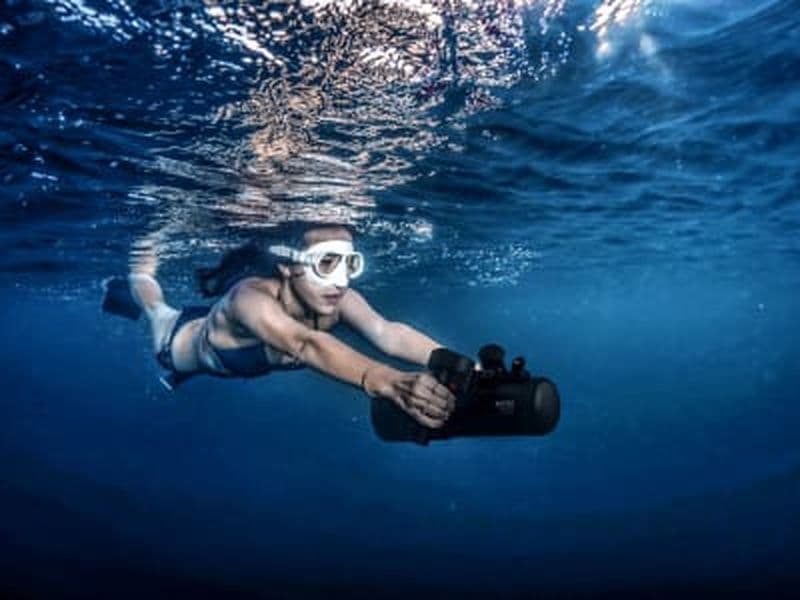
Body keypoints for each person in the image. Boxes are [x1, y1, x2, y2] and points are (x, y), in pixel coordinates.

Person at [103, 224, 455, 429]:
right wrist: (386, 380)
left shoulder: (334, 298)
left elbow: (387, 332)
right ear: (287, 266)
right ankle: (131, 275)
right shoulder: (248, 298)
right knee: (154, 306)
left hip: (232, 344)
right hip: (177, 341)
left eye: (350, 265)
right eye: (326, 264)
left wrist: (465, 365)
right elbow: (304, 344)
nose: (340, 281)